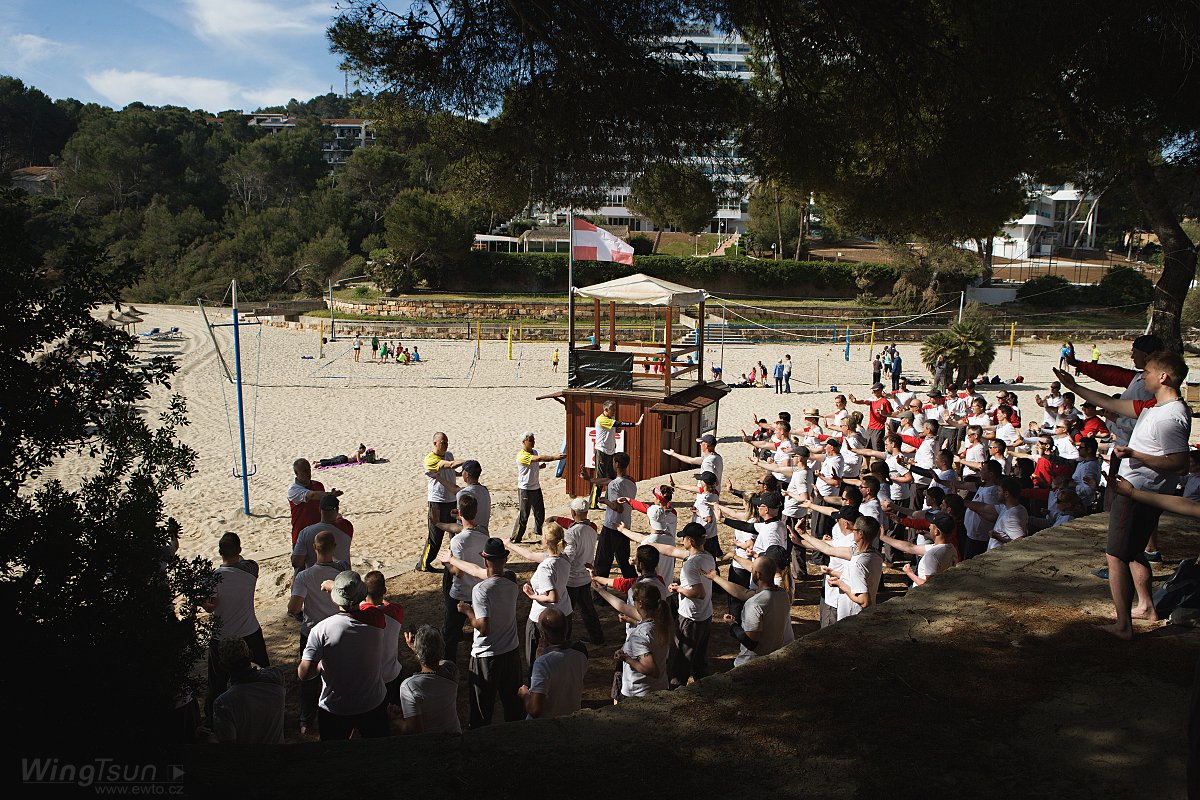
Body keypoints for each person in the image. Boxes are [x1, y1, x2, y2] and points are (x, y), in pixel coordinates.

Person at [1054, 351, 1191, 639]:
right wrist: (1074, 386)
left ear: (1163, 376)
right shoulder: (1154, 406)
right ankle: (1146, 607)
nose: (1144, 376)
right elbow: (1111, 402)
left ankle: (1123, 625)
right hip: (1137, 489)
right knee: (1131, 551)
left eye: (1149, 371)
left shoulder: (1171, 414)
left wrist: (1133, 454)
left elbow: (1179, 463)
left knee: (1115, 555)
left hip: (1139, 491)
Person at [443, 537, 524, 727]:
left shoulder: (480, 590)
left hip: (487, 655)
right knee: (513, 707)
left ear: (485, 560)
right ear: (504, 560)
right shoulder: (512, 579)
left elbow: (483, 627)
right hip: (511, 651)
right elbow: (476, 571)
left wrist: (467, 611)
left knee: (482, 709)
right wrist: (452, 559)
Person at [297, 570, 388, 740]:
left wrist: (320, 666)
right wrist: (335, 588)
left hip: (336, 707)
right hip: (372, 703)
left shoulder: (321, 630)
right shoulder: (376, 618)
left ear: (334, 598)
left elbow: (305, 673)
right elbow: (362, 607)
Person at [203, 533, 269, 724]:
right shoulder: (250, 569)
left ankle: (211, 720)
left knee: (217, 683)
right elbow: (245, 562)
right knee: (261, 674)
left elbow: (210, 606)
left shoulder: (213, 578)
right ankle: (264, 710)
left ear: (219, 552)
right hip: (249, 632)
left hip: (222, 635)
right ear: (239, 550)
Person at [287, 530, 348, 736]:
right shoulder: (342, 570)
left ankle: (306, 720)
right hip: (337, 630)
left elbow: (294, 608)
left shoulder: (305, 576)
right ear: (334, 548)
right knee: (339, 673)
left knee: (308, 677)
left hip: (312, 631)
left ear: (314, 548)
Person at [508, 524, 573, 678]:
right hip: (565, 613)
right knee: (560, 655)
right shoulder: (564, 557)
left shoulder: (545, 568)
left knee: (536, 659)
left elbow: (552, 597)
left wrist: (532, 596)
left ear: (544, 541)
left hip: (543, 617)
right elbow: (530, 556)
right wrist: (509, 544)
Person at [705, 555, 791, 665]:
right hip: (773, 658)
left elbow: (751, 643)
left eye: (752, 569)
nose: (751, 571)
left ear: (758, 574)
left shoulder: (754, 604)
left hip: (751, 663)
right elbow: (742, 592)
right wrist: (715, 577)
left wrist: (733, 625)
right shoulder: (783, 594)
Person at [440, 493, 489, 663]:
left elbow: (457, 571)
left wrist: (445, 561)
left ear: (460, 513)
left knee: (450, 633)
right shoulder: (484, 536)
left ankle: (449, 664)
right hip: (478, 590)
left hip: (461, 593)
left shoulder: (458, 541)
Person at [209, 637, 285, 744]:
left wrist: (210, 738)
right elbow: (259, 671)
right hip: (278, 755)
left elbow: (228, 748)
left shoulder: (223, 703)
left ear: (222, 666)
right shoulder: (276, 677)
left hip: (249, 759)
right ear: (251, 655)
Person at [552, 497, 605, 645]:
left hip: (572, 578)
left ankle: (563, 640)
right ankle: (597, 638)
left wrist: (556, 557)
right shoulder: (592, 529)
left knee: (566, 612)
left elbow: (569, 555)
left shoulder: (571, 533)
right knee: (588, 610)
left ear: (573, 512)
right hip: (585, 576)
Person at [608, 581, 672, 701]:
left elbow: (651, 670)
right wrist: (634, 622)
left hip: (639, 693)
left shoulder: (638, 636)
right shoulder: (662, 624)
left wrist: (626, 659)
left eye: (634, 600)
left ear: (641, 604)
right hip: (659, 688)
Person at [520, 608, 588, 719]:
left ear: (543, 636)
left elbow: (534, 710)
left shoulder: (543, 663)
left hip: (546, 725)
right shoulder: (581, 653)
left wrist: (525, 694)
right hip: (571, 716)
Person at [579, 451, 637, 579]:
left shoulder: (614, 485)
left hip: (612, 527)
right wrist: (589, 479)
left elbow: (618, 507)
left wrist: (605, 501)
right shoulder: (631, 482)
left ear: (616, 464)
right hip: (625, 527)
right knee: (625, 563)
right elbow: (609, 481)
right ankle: (634, 589)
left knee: (602, 562)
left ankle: (600, 595)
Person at [396, 625, 461, 735]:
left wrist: (395, 720)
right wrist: (417, 650)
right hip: (455, 736)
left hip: (430, 745)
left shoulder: (409, 687)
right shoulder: (451, 670)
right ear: (442, 648)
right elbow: (436, 663)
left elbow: (412, 731)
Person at [418, 432, 465, 573]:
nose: (445, 445)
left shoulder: (448, 454)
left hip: (451, 500)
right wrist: (467, 462)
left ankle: (455, 560)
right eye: (443, 442)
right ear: (435, 443)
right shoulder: (430, 459)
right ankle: (423, 564)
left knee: (455, 534)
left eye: (447, 442)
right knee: (435, 537)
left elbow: (451, 471)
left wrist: (461, 473)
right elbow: (449, 466)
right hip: (437, 502)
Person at [360, 570, 405, 709]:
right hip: (392, 674)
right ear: (385, 590)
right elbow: (386, 605)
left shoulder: (362, 613)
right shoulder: (397, 611)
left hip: (371, 678)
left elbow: (364, 606)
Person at [511, 432, 565, 543]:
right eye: (531, 440)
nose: (533, 442)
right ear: (524, 442)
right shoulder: (522, 455)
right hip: (525, 489)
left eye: (533, 439)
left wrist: (539, 467)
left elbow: (532, 465)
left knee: (540, 512)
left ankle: (538, 532)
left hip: (535, 487)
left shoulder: (534, 452)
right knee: (524, 515)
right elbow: (538, 459)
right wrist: (554, 457)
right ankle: (516, 538)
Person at [880, 511, 959, 586]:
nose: (929, 526)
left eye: (931, 525)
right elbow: (910, 547)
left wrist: (909, 573)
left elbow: (929, 586)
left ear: (936, 531)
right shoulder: (951, 548)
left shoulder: (932, 555)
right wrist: (883, 537)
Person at [590, 400, 643, 509]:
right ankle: (592, 503)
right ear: (606, 410)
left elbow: (615, 427)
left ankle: (610, 499)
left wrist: (616, 430)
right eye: (612, 410)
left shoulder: (611, 417)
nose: (614, 412)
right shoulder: (601, 419)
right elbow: (618, 424)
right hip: (602, 452)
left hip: (610, 451)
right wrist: (635, 424)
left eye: (615, 409)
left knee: (612, 477)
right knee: (600, 478)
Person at [287, 458, 341, 546]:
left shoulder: (318, 485)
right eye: (304, 471)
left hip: (319, 536)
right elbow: (312, 495)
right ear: (296, 473)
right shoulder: (293, 489)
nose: (308, 473)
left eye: (309, 470)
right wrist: (330, 494)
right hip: (301, 536)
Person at [292, 493, 352, 571]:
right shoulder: (346, 526)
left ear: (319, 509)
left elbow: (296, 562)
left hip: (315, 576)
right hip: (341, 577)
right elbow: (340, 520)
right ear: (337, 510)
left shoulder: (306, 532)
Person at [849, 383, 893, 452]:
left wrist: (884, 413)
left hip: (878, 428)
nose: (874, 392)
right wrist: (855, 401)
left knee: (877, 451)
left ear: (881, 390)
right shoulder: (873, 399)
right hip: (870, 427)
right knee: (866, 450)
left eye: (875, 390)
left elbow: (891, 414)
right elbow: (864, 401)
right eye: (873, 390)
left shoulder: (885, 402)